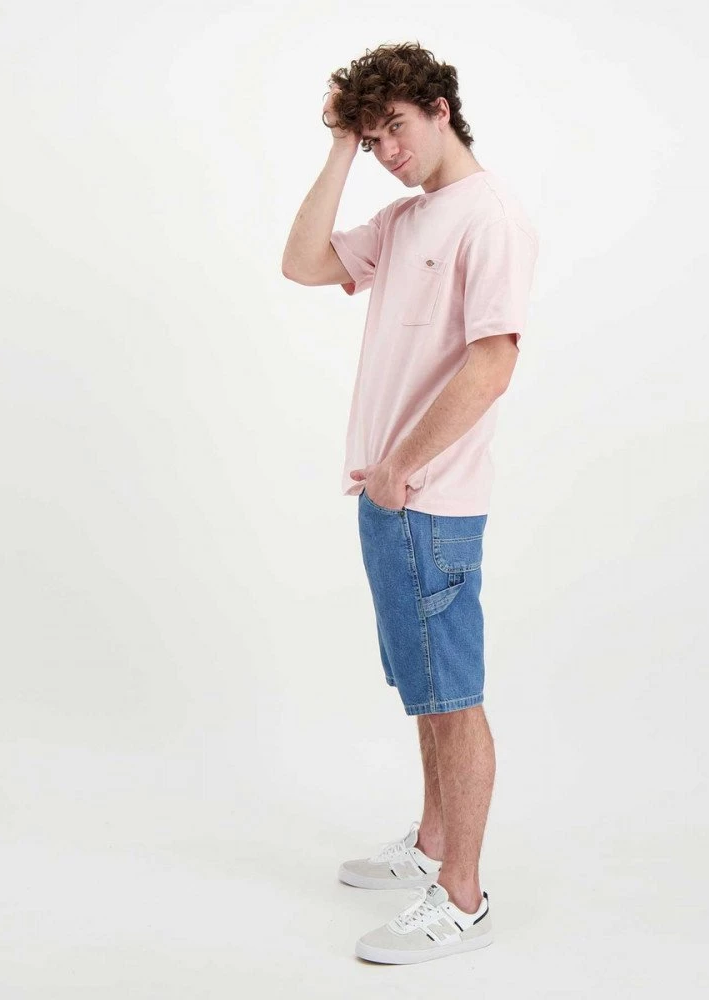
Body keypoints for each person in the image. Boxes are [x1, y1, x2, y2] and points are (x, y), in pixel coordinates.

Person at [281, 41, 538, 965]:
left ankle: (462, 899)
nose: (387, 149)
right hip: (391, 501)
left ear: (440, 110)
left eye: (394, 127)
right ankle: (431, 843)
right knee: (427, 693)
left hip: (430, 501)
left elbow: (494, 361)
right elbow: (302, 262)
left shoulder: (489, 216)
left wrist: (399, 468)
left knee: (454, 699)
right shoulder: (403, 218)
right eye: (370, 136)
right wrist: (337, 148)